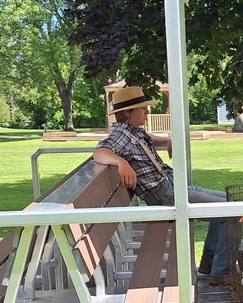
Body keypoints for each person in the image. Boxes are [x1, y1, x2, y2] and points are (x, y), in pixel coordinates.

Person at [94, 86, 230, 285]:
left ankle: (209, 266)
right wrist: (121, 163)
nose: (147, 112)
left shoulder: (133, 132)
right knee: (230, 213)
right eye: (142, 109)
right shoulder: (120, 136)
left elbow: (146, 139)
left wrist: (165, 140)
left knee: (230, 202)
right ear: (127, 113)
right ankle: (220, 273)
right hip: (166, 196)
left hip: (173, 187)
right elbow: (100, 152)